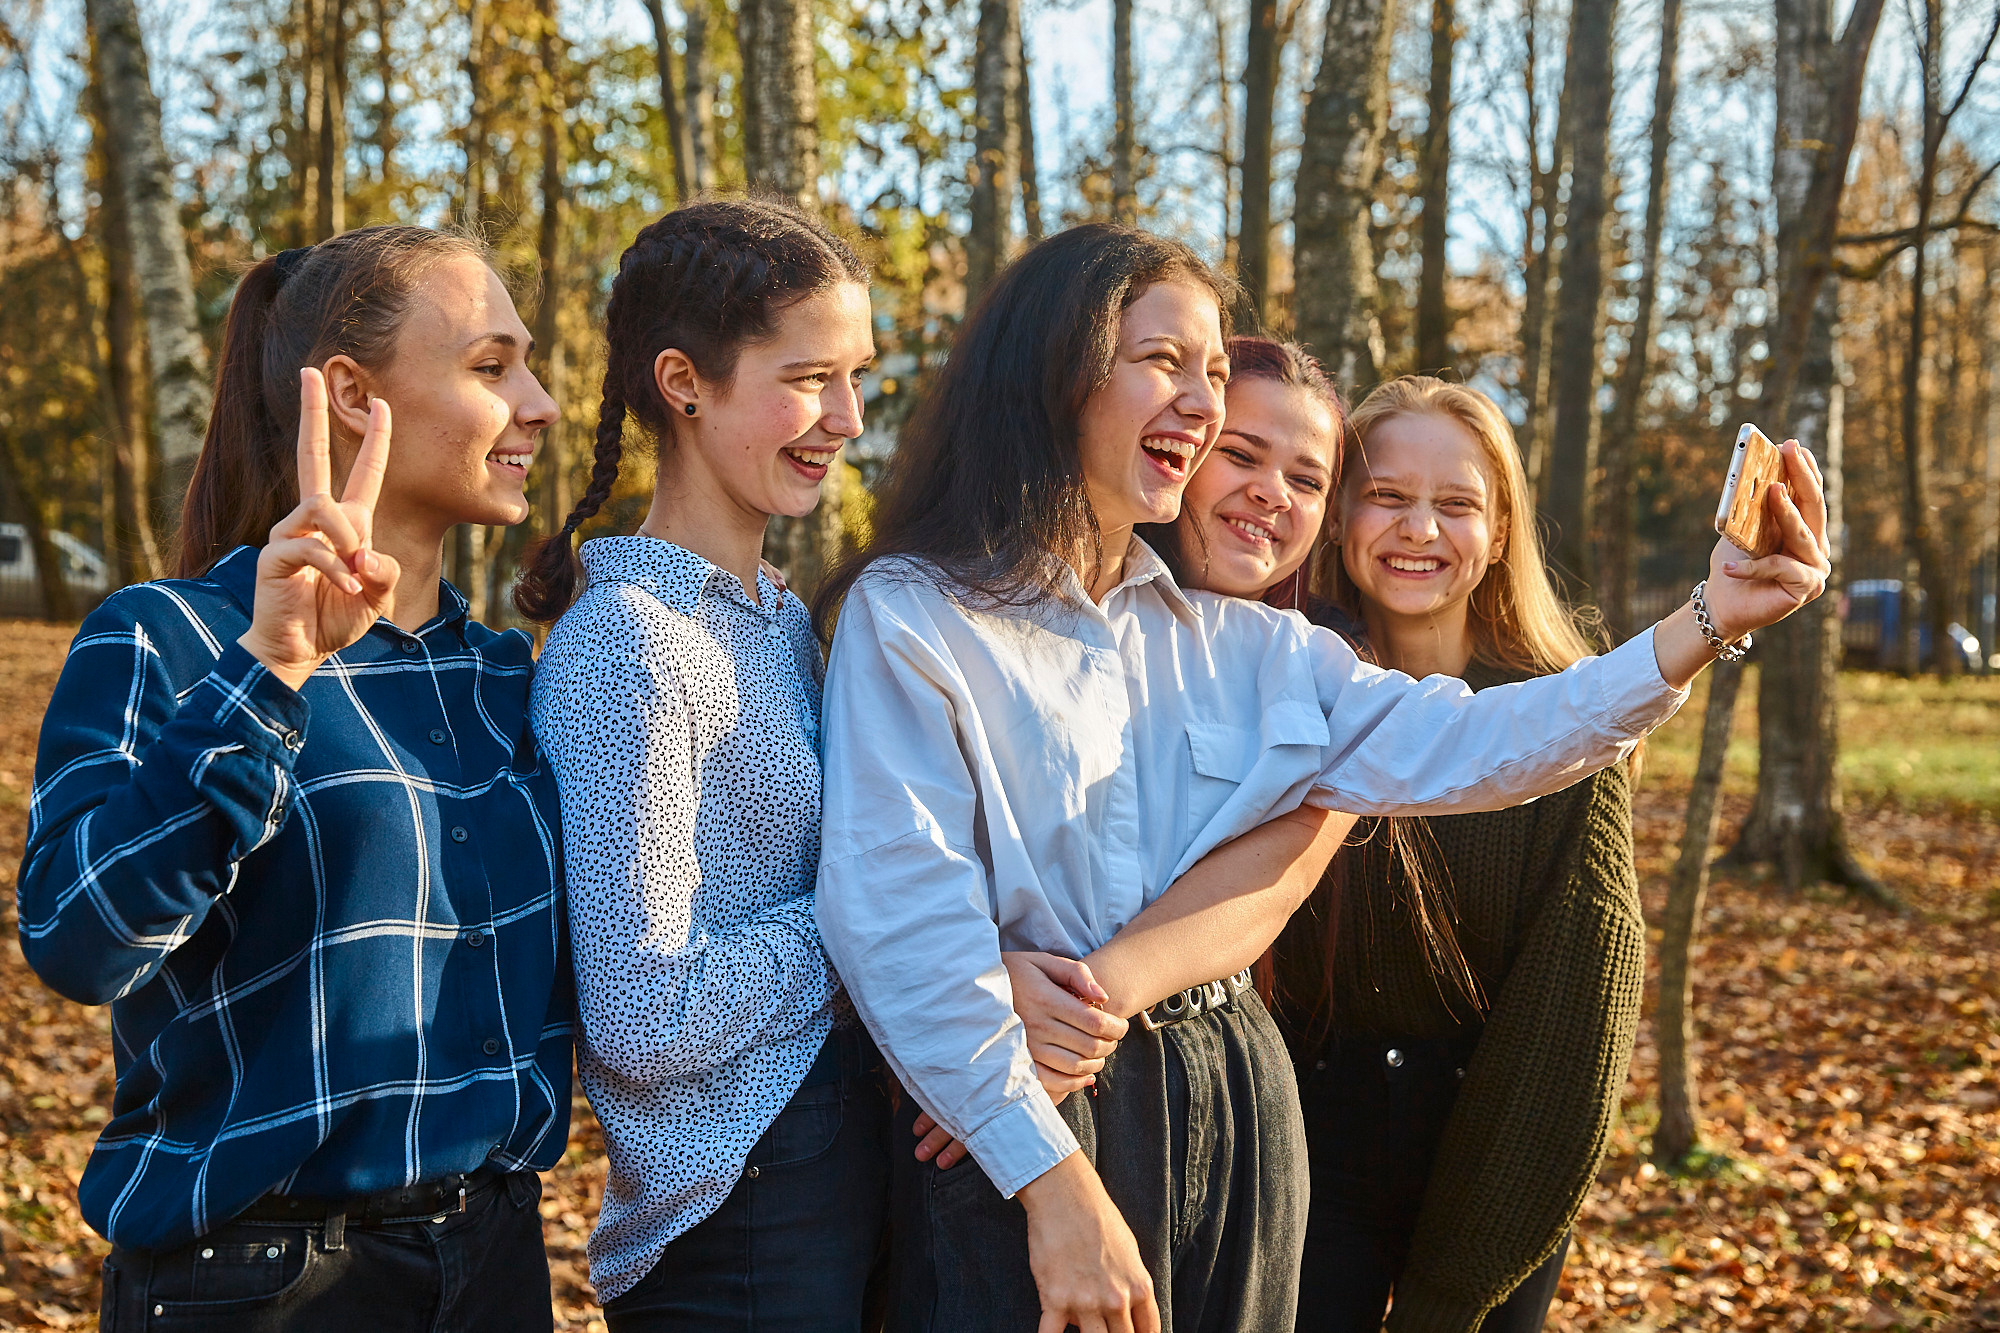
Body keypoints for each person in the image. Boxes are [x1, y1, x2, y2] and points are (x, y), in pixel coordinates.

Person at [809, 223, 1831, 1333]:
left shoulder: (1251, 649)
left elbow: (1486, 738)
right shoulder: (915, 615)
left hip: (1231, 1096)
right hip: (1035, 1108)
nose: (1200, 404)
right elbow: (899, 920)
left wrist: (1704, 621)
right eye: (1165, 361)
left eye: (1212, 372)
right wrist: (1046, 1174)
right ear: (1058, 370)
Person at [18, 226, 571, 1331]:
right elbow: (76, 939)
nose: (542, 403)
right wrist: (268, 672)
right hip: (260, 1284)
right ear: (355, 396)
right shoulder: (168, 639)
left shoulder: (506, 679)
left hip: (498, 1266)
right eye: (492, 366)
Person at [518, 199, 888, 1332]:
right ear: (683, 382)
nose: (846, 418)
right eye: (809, 379)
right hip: (738, 1216)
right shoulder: (628, 643)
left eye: (858, 378)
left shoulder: (782, 619)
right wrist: (863, 919)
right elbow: (641, 1012)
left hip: (833, 1170)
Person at [1269, 376, 1643, 1333]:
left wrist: (1451, 1291)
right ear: (1338, 515)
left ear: (1501, 529)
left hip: (1503, 1135)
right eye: (1387, 495)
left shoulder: (1566, 727)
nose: (1419, 529)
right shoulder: (1279, 685)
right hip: (1310, 1135)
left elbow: (1571, 1027)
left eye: (1457, 503)